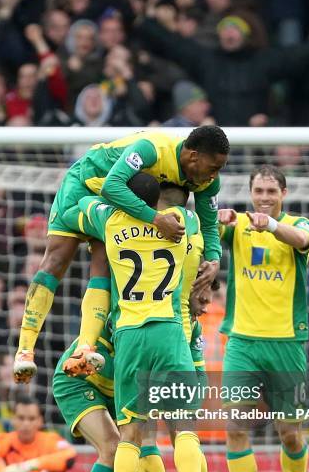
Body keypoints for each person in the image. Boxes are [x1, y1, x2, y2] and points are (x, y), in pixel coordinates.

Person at [13, 125, 228, 385]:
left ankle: (85, 348)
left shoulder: (206, 180)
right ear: (193, 156)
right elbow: (111, 185)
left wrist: (214, 259)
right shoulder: (152, 148)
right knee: (57, 259)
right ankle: (25, 349)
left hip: (123, 200)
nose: (216, 175)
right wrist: (156, 219)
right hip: (87, 185)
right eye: (214, 167)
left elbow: (209, 224)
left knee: (103, 260)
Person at [76, 174, 208, 472]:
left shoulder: (110, 220)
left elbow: (87, 195)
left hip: (129, 334)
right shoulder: (186, 223)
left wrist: (109, 178)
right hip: (168, 331)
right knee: (184, 427)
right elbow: (199, 218)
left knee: (130, 434)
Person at [218, 164, 309, 472]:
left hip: (287, 344)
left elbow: (301, 240)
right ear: (250, 192)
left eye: (271, 192)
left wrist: (270, 226)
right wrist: (218, 217)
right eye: (258, 191)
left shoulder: (299, 225)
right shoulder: (238, 226)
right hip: (242, 342)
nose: (263, 198)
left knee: (290, 434)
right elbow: (208, 228)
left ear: (284, 194)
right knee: (235, 428)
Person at [135, 1, 309, 125]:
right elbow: (172, 44)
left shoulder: (263, 61)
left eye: (234, 29)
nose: (228, 33)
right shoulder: (206, 60)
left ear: (245, 35)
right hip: (216, 141)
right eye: (224, 29)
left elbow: (308, 52)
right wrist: (142, 22)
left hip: (255, 143)